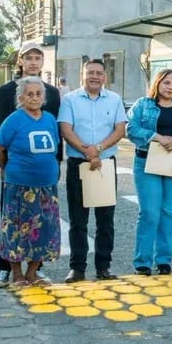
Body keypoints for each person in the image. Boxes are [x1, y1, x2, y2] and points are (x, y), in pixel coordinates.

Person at [0, 42, 62, 288]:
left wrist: (57, 165)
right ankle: (6, 270)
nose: (33, 62)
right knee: (14, 223)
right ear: (20, 61)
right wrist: (4, 167)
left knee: (43, 225)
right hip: (16, 174)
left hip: (45, 178)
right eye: (28, 57)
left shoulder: (52, 93)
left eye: (37, 58)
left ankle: (35, 271)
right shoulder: (6, 91)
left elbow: (56, 136)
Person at [58, 59, 127, 282]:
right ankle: (77, 268)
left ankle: (103, 267)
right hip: (78, 164)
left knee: (105, 220)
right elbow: (66, 129)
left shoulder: (114, 99)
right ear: (82, 75)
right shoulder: (69, 99)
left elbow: (119, 130)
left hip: (105, 164)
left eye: (98, 73)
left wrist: (97, 149)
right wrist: (87, 151)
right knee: (78, 220)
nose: (94, 76)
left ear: (105, 76)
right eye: (90, 73)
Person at [126, 69, 172, 276]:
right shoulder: (143, 105)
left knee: (169, 212)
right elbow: (130, 128)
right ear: (157, 83)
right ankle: (142, 262)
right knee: (149, 212)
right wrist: (156, 137)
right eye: (166, 82)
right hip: (146, 162)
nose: (170, 87)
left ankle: (164, 260)